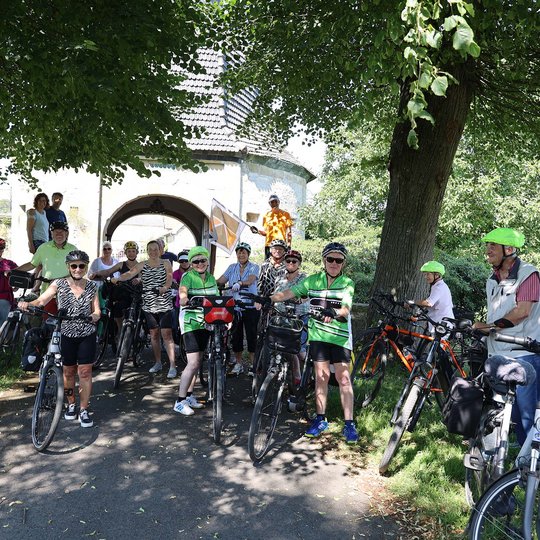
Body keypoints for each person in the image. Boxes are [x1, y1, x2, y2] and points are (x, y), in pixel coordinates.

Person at [268, 242, 358, 444]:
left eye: (339, 260)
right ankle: (320, 419)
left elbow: (346, 309)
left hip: (340, 337)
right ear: (324, 260)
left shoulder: (347, 282)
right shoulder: (313, 281)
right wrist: (270, 299)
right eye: (330, 259)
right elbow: (290, 292)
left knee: (343, 379)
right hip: (318, 338)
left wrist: (334, 313)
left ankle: (349, 423)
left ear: (343, 263)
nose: (334, 263)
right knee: (321, 378)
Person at [18, 250, 100, 428]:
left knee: (85, 372)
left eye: (81, 266)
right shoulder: (59, 284)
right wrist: (27, 304)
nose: (77, 269)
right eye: (74, 266)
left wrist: (95, 316)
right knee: (68, 372)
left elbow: (97, 310)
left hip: (86, 333)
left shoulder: (92, 286)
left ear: (86, 267)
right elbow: (41, 300)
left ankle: (84, 409)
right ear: (68, 267)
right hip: (66, 333)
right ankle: (71, 404)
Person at [473, 228, 540, 445]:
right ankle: (502, 459)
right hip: (498, 353)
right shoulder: (491, 279)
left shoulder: (528, 275)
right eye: (487, 245)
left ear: (509, 250)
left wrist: (489, 327)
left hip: (524, 355)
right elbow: (498, 311)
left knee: (526, 417)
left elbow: (522, 312)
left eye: (493, 245)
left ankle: (528, 467)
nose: (488, 249)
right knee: (502, 407)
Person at [111, 240, 177, 378]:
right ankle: (158, 362)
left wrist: (165, 287)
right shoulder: (142, 264)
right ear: (147, 251)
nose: (153, 252)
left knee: (166, 335)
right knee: (153, 334)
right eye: (150, 249)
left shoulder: (166, 263)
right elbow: (129, 273)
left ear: (160, 250)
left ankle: (172, 365)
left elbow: (169, 279)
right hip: (148, 304)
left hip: (164, 303)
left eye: (155, 249)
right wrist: (118, 279)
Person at [174, 246, 219, 415]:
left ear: (207, 261)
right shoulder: (187, 276)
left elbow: (216, 298)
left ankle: (189, 396)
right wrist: (185, 299)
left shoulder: (211, 278)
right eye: (196, 261)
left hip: (207, 322)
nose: (200, 264)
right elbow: (182, 293)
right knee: (192, 362)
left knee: (198, 362)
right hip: (190, 322)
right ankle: (179, 401)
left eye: (203, 260)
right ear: (191, 264)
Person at [217, 242, 260, 375]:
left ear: (248, 254)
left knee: (252, 336)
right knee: (236, 336)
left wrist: (240, 283)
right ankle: (238, 363)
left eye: (244, 252)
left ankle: (253, 365)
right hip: (234, 306)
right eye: (239, 252)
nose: (241, 254)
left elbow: (251, 280)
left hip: (250, 306)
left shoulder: (254, 267)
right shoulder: (231, 267)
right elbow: (221, 280)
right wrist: (209, 282)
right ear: (236, 254)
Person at [16, 222, 77, 313]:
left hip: (67, 294)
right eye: (56, 232)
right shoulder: (44, 247)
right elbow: (32, 264)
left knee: (65, 325)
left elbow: (78, 272)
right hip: (47, 294)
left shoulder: (73, 249)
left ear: (67, 233)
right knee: (47, 324)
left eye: (62, 232)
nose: (59, 234)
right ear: (51, 234)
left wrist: (61, 281)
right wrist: (14, 270)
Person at [273, 249, 308, 385]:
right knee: (285, 347)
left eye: (294, 261)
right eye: (288, 261)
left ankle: (311, 370)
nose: (291, 263)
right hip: (283, 315)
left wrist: (301, 299)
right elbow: (275, 293)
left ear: (299, 263)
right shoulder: (279, 278)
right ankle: (294, 374)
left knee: (300, 351)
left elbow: (306, 295)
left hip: (299, 317)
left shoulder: (303, 278)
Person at [90, 241, 140, 332]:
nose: (131, 253)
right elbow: (108, 271)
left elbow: (143, 277)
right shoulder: (121, 264)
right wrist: (96, 273)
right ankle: (120, 330)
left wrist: (139, 280)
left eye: (133, 251)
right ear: (125, 253)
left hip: (136, 294)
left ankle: (138, 332)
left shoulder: (140, 265)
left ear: (137, 252)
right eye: (129, 251)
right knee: (117, 309)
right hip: (124, 293)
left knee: (138, 313)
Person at [406, 261, 454, 330]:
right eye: (425, 274)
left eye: (428, 274)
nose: (425, 277)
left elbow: (429, 303)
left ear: (437, 275)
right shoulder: (438, 286)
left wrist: (413, 302)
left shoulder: (439, 288)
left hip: (442, 326)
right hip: (438, 324)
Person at [251, 194, 293, 258]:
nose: (274, 203)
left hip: (281, 244)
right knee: (267, 265)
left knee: (281, 266)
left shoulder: (286, 214)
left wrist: (289, 245)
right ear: (269, 204)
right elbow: (266, 233)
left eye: (275, 201)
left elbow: (289, 232)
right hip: (269, 245)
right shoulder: (266, 216)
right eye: (272, 202)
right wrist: (257, 231)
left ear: (279, 202)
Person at [0, 239, 17, 324]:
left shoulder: (9, 264)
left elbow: (19, 276)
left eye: (1, 248)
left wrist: (16, 286)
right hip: (4, 299)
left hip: (4, 298)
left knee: (4, 325)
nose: (0, 250)